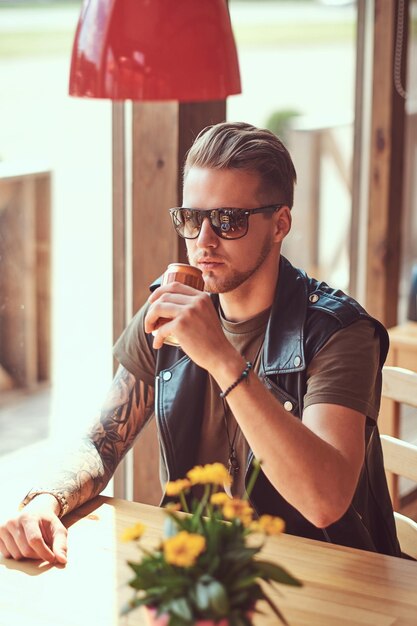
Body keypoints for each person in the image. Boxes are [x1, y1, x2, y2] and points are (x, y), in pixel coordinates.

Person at [0, 121, 400, 564]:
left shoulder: (339, 332)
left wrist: (223, 360)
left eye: (229, 220)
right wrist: (45, 499)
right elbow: (101, 442)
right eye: (192, 218)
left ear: (280, 223)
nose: (203, 241)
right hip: (207, 577)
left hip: (332, 579)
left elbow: (325, 501)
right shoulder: (170, 308)